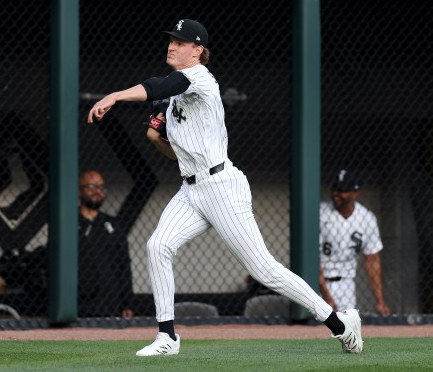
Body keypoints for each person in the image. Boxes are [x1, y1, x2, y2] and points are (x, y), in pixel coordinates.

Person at [87, 19, 363, 356]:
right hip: (191, 189)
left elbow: (158, 85)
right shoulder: (176, 95)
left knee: (264, 269)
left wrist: (115, 96)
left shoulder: (199, 78)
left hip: (221, 185)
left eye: (181, 42)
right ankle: (167, 337)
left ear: (198, 50)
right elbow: (164, 135)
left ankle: (339, 323)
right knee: (157, 245)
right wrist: (155, 134)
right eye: (171, 40)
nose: (172, 45)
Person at [319, 169, 391, 315]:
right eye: (335, 189)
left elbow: (372, 260)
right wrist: (326, 296)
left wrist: (380, 301)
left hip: (346, 284)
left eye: (342, 190)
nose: (336, 194)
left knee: (345, 332)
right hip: (317, 283)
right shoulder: (319, 213)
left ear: (355, 193)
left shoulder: (367, 218)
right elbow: (312, 259)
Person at [77, 170, 134, 318]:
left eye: (101, 187)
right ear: (79, 191)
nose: (97, 191)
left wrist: (127, 303)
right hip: (77, 301)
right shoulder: (68, 223)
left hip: (109, 302)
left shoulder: (113, 225)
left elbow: (124, 265)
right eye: (91, 186)